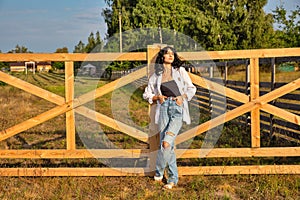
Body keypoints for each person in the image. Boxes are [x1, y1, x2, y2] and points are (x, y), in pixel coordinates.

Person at [143, 46, 196, 189]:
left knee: (166, 143)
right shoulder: (156, 76)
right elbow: (146, 94)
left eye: (172, 54)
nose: (170, 56)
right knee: (168, 146)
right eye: (167, 54)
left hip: (177, 108)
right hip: (164, 108)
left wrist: (182, 97)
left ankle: (159, 171)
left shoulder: (180, 71)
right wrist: (157, 97)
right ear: (162, 57)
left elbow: (192, 88)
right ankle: (173, 179)